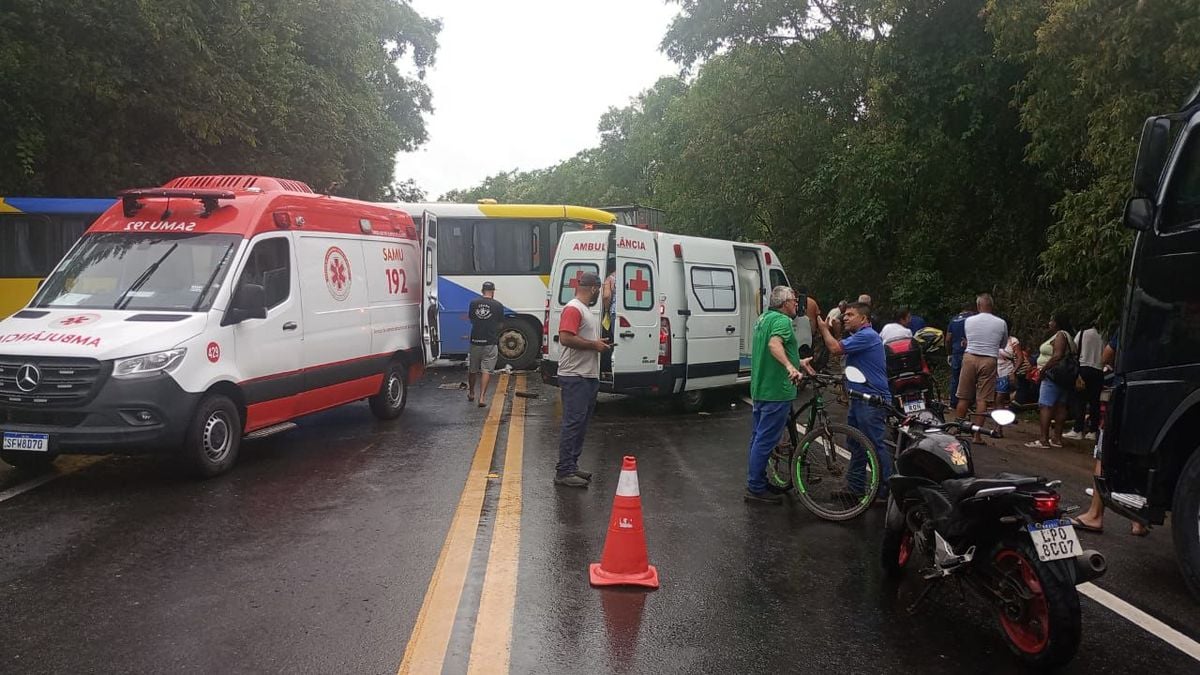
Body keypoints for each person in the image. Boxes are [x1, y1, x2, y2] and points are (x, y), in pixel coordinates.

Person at [812, 302, 893, 500]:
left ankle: (887, 490)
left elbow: (834, 348)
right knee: (856, 444)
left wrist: (823, 329)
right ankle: (855, 487)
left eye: (850, 314)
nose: (845, 318)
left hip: (871, 400)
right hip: (859, 399)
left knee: (874, 444)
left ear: (864, 318)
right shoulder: (858, 337)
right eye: (845, 314)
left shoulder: (867, 336)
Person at [1070, 332, 1148, 536]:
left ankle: (1095, 514)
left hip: (1128, 393)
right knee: (1138, 458)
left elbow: (1106, 356)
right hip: (1155, 400)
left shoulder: (1134, 323)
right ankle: (1138, 520)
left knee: (1104, 453)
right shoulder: (1175, 326)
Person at [744, 286, 804, 504]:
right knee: (765, 440)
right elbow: (774, 344)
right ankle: (756, 488)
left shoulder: (763, 319)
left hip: (760, 389)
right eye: (794, 300)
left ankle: (756, 480)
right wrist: (790, 367)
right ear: (784, 303)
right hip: (777, 391)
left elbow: (773, 347)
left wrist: (799, 362)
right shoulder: (783, 321)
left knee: (758, 438)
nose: (796, 303)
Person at [554, 272, 611, 487]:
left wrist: (596, 342)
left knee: (581, 424)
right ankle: (564, 471)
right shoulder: (574, 308)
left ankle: (572, 464)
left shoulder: (585, 310)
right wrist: (593, 345)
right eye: (601, 289)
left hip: (587, 375)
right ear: (594, 288)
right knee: (573, 423)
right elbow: (566, 337)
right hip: (574, 376)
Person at [955, 294, 1008, 443]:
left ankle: (958, 429)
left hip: (970, 357)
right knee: (982, 399)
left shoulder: (969, 320)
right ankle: (977, 435)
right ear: (992, 306)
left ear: (978, 306)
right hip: (989, 360)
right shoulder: (1001, 322)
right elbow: (1003, 345)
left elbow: (969, 338)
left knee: (964, 396)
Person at [1025, 312, 1076, 449]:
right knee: (1060, 406)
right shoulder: (1069, 336)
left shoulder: (1060, 335)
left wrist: (1043, 370)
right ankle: (1057, 438)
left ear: (1057, 322)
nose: (1049, 323)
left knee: (1045, 405)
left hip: (1053, 375)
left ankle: (1043, 439)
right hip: (1065, 377)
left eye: (1051, 320)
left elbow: (1057, 355)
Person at [1065, 321, 1104, 441]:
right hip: (1098, 370)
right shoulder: (1103, 335)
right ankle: (1093, 431)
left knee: (1080, 400)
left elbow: (1074, 349)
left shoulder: (1082, 333)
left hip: (1083, 368)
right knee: (1094, 402)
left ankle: (1078, 429)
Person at [467, 281, 504, 407]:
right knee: (486, 370)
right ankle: (482, 398)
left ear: (482, 291)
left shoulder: (473, 303)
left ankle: (471, 393)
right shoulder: (498, 305)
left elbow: (471, 319)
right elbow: (500, 324)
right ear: (493, 291)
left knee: (473, 369)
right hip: (490, 341)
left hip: (476, 340)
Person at [946, 302, 974, 408]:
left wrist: (949, 353)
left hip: (956, 352)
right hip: (970, 352)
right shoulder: (973, 319)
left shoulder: (954, 320)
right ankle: (969, 403)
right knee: (970, 378)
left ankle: (953, 402)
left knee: (955, 378)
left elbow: (948, 339)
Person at [996, 334, 1024, 410]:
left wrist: (1013, 372)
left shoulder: (1013, 341)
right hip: (994, 371)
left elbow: (1020, 358)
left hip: (1007, 371)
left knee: (1000, 397)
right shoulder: (994, 338)